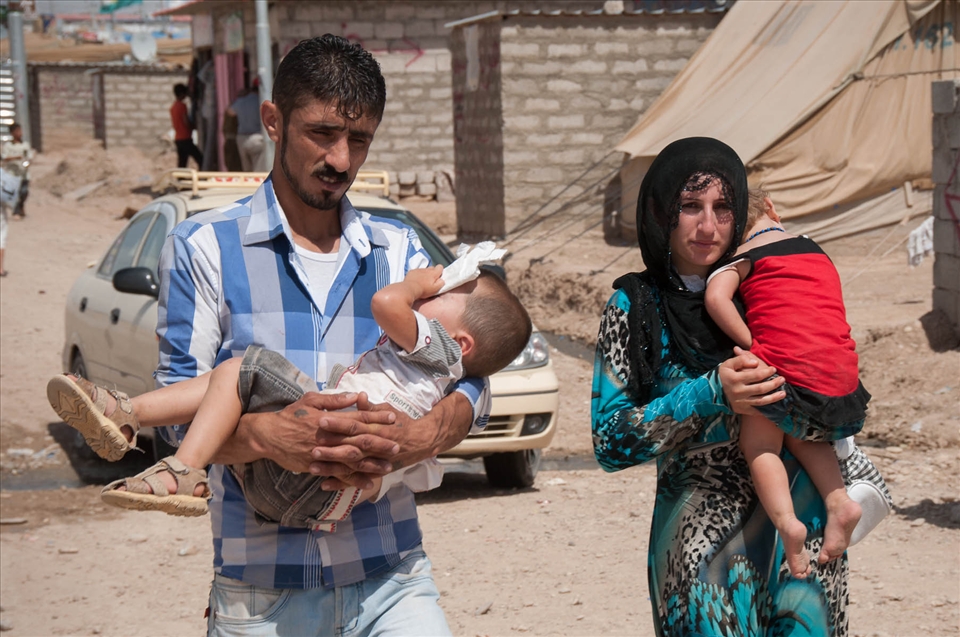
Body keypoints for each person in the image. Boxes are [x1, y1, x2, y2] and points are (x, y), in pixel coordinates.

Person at [152, 35, 491, 636]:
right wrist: (266, 435)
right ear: (274, 121)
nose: (340, 158)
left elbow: (474, 378)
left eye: (358, 140)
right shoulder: (202, 247)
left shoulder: (399, 253)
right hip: (261, 595)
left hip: (392, 579)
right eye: (322, 133)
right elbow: (178, 421)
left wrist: (419, 436)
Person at [591, 137, 889, 636]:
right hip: (704, 552)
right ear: (662, 211)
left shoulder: (773, 284)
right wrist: (711, 392)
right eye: (690, 207)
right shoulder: (634, 309)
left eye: (723, 207)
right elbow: (610, 443)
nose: (708, 226)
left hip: (805, 541)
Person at [46, 265, 530, 529]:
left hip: (308, 485)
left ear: (462, 342)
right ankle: (127, 419)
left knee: (242, 367)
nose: (431, 293)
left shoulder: (443, 353)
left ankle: (163, 448)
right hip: (301, 499)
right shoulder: (440, 370)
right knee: (234, 386)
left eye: (447, 293)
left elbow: (386, 302)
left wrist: (415, 283)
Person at [704, 190, 870, 578]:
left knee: (760, 444)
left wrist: (750, 344)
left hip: (789, 371)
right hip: (841, 377)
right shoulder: (813, 249)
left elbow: (715, 299)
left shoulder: (744, 259)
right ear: (774, 209)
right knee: (806, 435)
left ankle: (787, 524)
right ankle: (839, 502)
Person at [226, 81, 266, 172]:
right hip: (257, 138)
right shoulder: (262, 101)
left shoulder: (240, 101)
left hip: (242, 139)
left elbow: (230, 112)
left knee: (247, 170)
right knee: (259, 170)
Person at [1, 122, 32, 219]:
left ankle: (20, 207)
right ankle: (16, 211)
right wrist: (16, 158)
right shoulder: (8, 146)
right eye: (17, 131)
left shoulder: (25, 145)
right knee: (13, 194)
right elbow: (4, 158)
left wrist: (27, 163)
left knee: (24, 192)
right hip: (12, 174)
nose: (20, 133)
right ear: (12, 133)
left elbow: (29, 157)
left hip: (23, 174)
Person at [170, 83, 203, 169]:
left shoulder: (173, 107)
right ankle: (203, 178)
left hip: (178, 138)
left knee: (182, 163)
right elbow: (186, 122)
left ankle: (180, 180)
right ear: (182, 94)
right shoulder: (182, 106)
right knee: (200, 159)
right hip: (185, 138)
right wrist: (194, 127)